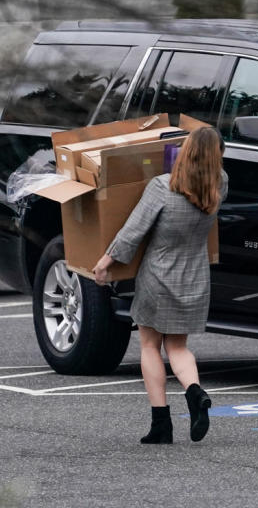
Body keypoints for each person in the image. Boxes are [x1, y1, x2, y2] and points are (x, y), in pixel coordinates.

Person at [93, 127, 228, 444]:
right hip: (194, 275)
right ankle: (195, 393)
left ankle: (161, 425)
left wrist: (104, 262)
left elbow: (133, 230)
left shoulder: (161, 187)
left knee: (150, 346)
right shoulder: (220, 185)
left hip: (159, 275)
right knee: (178, 347)